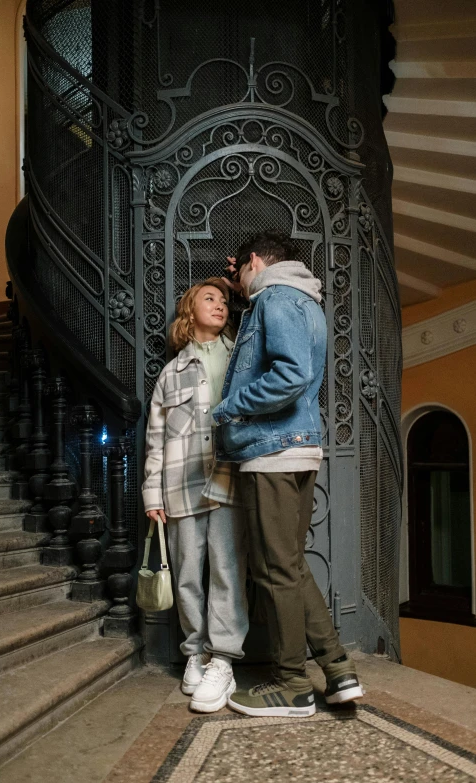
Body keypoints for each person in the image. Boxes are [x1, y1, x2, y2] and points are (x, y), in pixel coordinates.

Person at [212, 231, 364, 717]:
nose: (236, 282)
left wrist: (229, 407)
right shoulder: (301, 299)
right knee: (291, 566)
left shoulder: (275, 298)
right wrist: (241, 289)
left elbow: (290, 374)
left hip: (272, 450)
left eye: (239, 272)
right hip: (297, 448)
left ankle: (291, 685)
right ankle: (338, 670)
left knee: (274, 570)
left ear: (255, 260)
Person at [142, 277, 248, 714]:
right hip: (180, 485)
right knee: (187, 573)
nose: (220, 305)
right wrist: (152, 493)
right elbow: (156, 438)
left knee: (226, 570)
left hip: (229, 480)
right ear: (189, 310)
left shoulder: (241, 356)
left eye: (224, 300)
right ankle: (195, 654)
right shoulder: (171, 373)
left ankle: (223, 659)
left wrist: (238, 289)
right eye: (210, 298)